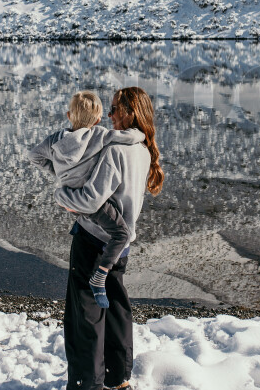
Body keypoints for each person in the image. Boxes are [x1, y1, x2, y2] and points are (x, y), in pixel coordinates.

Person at [54, 87, 164, 390]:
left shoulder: (115, 151)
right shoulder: (142, 149)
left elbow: (90, 200)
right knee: (116, 310)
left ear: (130, 113)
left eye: (115, 109)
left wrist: (64, 196)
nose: (110, 115)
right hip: (121, 246)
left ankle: (86, 384)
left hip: (93, 242)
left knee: (85, 318)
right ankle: (119, 379)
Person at [27, 90, 144, 307]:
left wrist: (60, 175)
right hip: (92, 202)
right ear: (98, 119)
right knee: (122, 234)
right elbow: (125, 136)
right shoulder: (98, 135)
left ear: (69, 116)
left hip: (74, 198)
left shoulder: (55, 140)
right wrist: (141, 136)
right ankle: (99, 278)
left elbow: (34, 156)